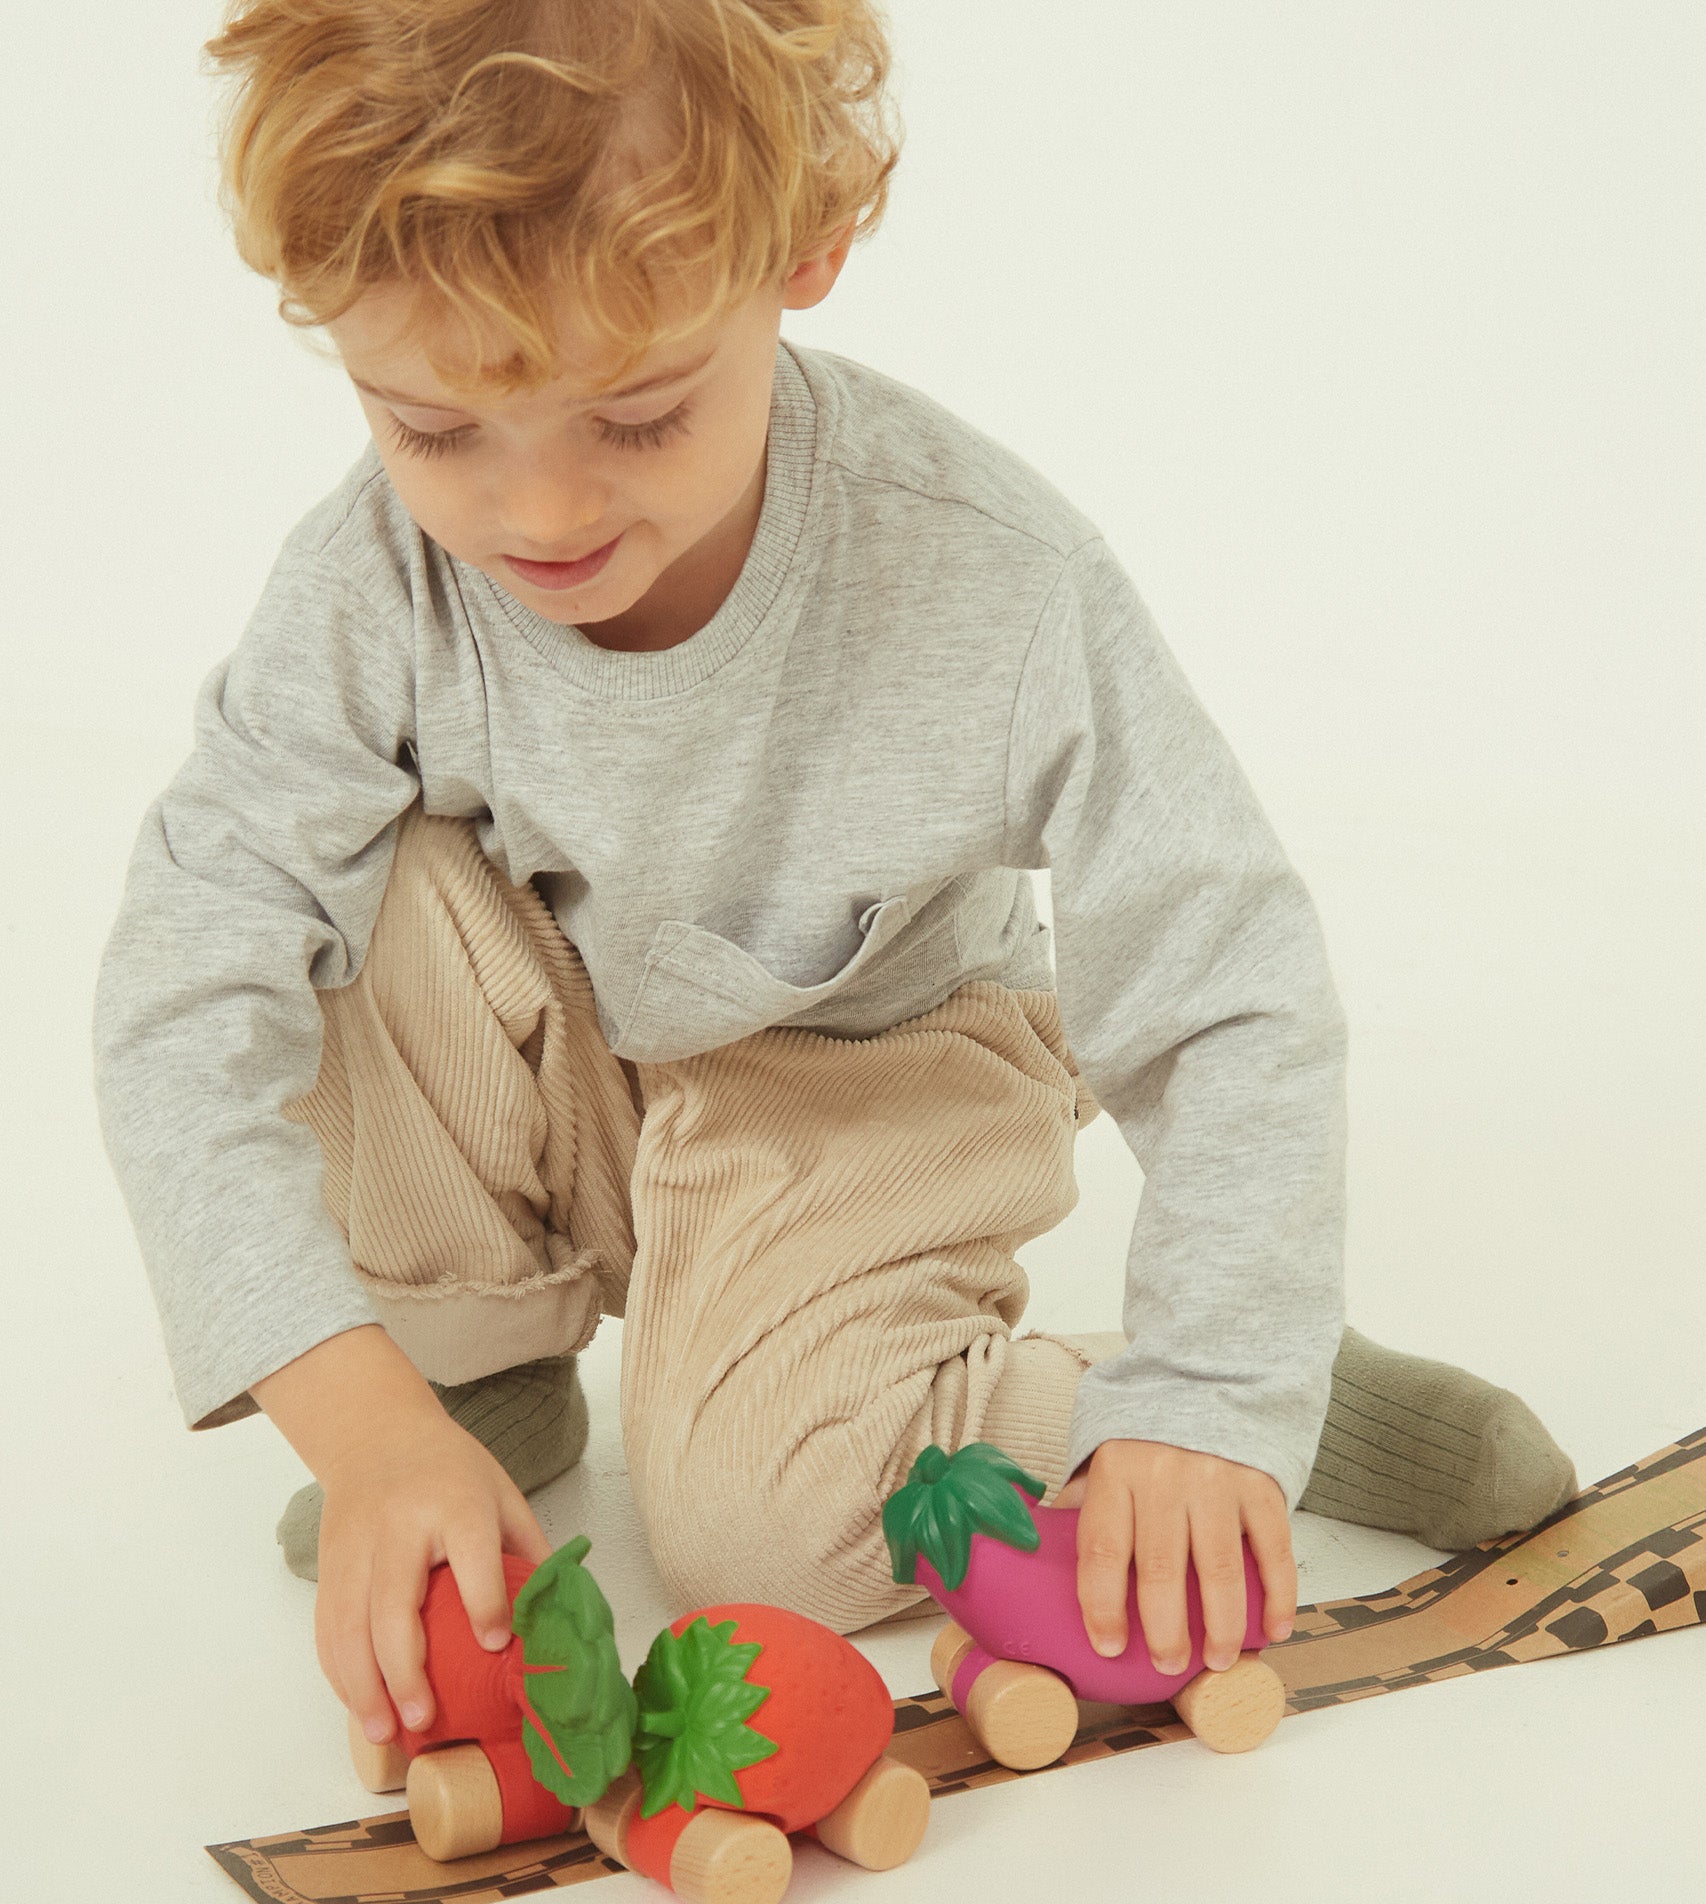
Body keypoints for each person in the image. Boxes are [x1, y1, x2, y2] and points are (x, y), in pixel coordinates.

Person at [92, 0, 1575, 1755]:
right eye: (431, 427)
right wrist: (360, 1419)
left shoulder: (985, 574)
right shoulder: (366, 590)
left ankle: (1212, 1402)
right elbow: (183, 986)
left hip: (870, 1081)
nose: (536, 510)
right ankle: (478, 1377)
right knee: (332, 894)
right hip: (593, 1062)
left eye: (637, 417)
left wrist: (1214, 1385)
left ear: (802, 246)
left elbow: (1228, 976)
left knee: (756, 1546)